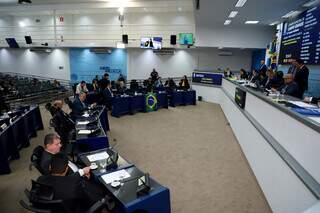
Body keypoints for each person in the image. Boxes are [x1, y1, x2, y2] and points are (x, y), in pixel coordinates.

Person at [37, 152, 108, 212]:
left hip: (53, 208)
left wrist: (82, 173)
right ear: (67, 169)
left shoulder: (41, 179)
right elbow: (88, 200)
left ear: (50, 167)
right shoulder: (74, 186)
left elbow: (66, 180)